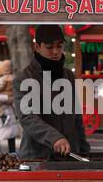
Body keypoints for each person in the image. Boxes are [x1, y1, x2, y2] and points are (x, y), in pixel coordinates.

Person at [13, 25, 90, 159]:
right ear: (37, 47)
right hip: (37, 156)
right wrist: (54, 138)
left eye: (59, 46)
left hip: (70, 155)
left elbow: (76, 117)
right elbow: (27, 117)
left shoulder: (68, 76)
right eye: (49, 47)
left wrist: (83, 148)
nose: (55, 51)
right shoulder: (24, 78)